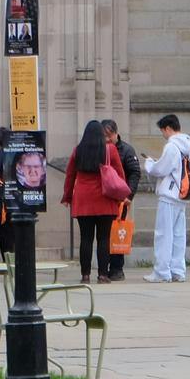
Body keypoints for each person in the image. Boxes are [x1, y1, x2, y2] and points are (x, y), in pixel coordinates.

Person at [63, 120, 127, 285]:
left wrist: (67, 196)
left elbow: (70, 175)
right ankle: (103, 275)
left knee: (85, 239)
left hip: (83, 200)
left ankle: (85, 275)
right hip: (105, 200)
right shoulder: (110, 150)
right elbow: (119, 174)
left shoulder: (78, 151)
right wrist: (122, 195)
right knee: (104, 239)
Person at [143, 114, 190, 283]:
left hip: (169, 195)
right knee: (178, 235)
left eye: (163, 131)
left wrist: (150, 164)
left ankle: (162, 272)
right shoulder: (187, 146)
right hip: (182, 195)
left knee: (164, 234)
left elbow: (161, 169)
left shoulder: (172, 146)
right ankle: (177, 270)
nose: (163, 135)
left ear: (168, 128)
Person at [102, 120, 140, 281]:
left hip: (121, 200)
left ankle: (117, 268)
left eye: (109, 135)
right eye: (104, 136)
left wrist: (129, 195)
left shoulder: (127, 150)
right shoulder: (101, 149)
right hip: (105, 199)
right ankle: (105, 267)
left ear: (116, 133)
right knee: (105, 234)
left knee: (118, 233)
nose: (107, 139)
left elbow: (135, 173)